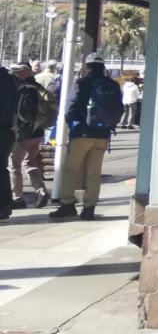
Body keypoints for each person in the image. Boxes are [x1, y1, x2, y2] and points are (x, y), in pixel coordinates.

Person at [50, 53, 123, 221]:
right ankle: (89, 208)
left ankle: (67, 204)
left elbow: (70, 108)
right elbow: (119, 108)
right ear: (103, 67)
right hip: (103, 135)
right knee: (94, 173)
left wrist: (73, 125)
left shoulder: (81, 83)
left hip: (82, 133)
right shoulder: (112, 84)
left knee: (70, 169)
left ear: (87, 66)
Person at [8, 62, 51, 208]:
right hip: (38, 133)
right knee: (30, 162)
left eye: (17, 72)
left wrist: (17, 130)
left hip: (24, 135)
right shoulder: (38, 87)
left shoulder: (24, 89)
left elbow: (23, 113)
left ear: (24, 73)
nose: (15, 74)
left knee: (14, 165)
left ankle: (17, 198)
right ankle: (41, 191)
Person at [0, 63, 17, 220]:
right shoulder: (10, 79)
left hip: (3, 129)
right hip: (8, 132)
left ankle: (4, 206)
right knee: (2, 169)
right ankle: (5, 206)